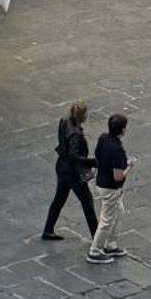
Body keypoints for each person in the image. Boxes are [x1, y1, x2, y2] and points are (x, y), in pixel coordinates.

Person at [42, 101, 99, 242]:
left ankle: (48, 229)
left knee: (59, 199)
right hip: (73, 173)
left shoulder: (64, 122)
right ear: (83, 115)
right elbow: (74, 157)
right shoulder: (75, 134)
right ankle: (97, 237)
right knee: (87, 202)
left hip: (62, 166)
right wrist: (93, 162)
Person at [88, 114, 132, 264]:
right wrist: (129, 167)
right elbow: (118, 177)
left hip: (101, 182)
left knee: (119, 212)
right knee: (106, 220)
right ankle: (95, 250)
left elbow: (97, 156)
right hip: (111, 188)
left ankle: (111, 245)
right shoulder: (118, 150)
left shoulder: (103, 138)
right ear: (123, 129)